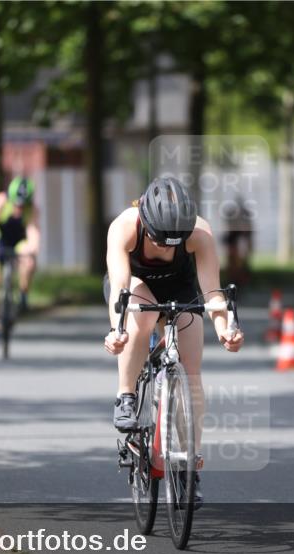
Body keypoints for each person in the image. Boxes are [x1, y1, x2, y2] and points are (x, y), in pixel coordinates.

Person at [103, 177, 245, 503]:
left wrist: (225, 329)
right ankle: (125, 396)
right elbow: (120, 290)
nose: (166, 248)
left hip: (180, 289)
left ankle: (188, 467)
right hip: (134, 287)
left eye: (174, 242)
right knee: (142, 319)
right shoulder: (124, 227)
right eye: (158, 241)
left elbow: (212, 291)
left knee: (192, 371)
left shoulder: (200, 232)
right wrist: (117, 329)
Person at [0, 176, 41, 346]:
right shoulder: (0, 201)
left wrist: (32, 248)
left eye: (22, 205)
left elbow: (33, 232)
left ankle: (23, 293)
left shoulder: (32, 209)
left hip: (18, 242)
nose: (18, 208)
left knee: (29, 262)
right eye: (16, 203)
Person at [221, 195, 254, 287]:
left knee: (241, 263)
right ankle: (234, 280)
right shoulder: (233, 232)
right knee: (232, 263)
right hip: (234, 242)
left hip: (239, 243)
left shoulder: (243, 233)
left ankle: (241, 281)